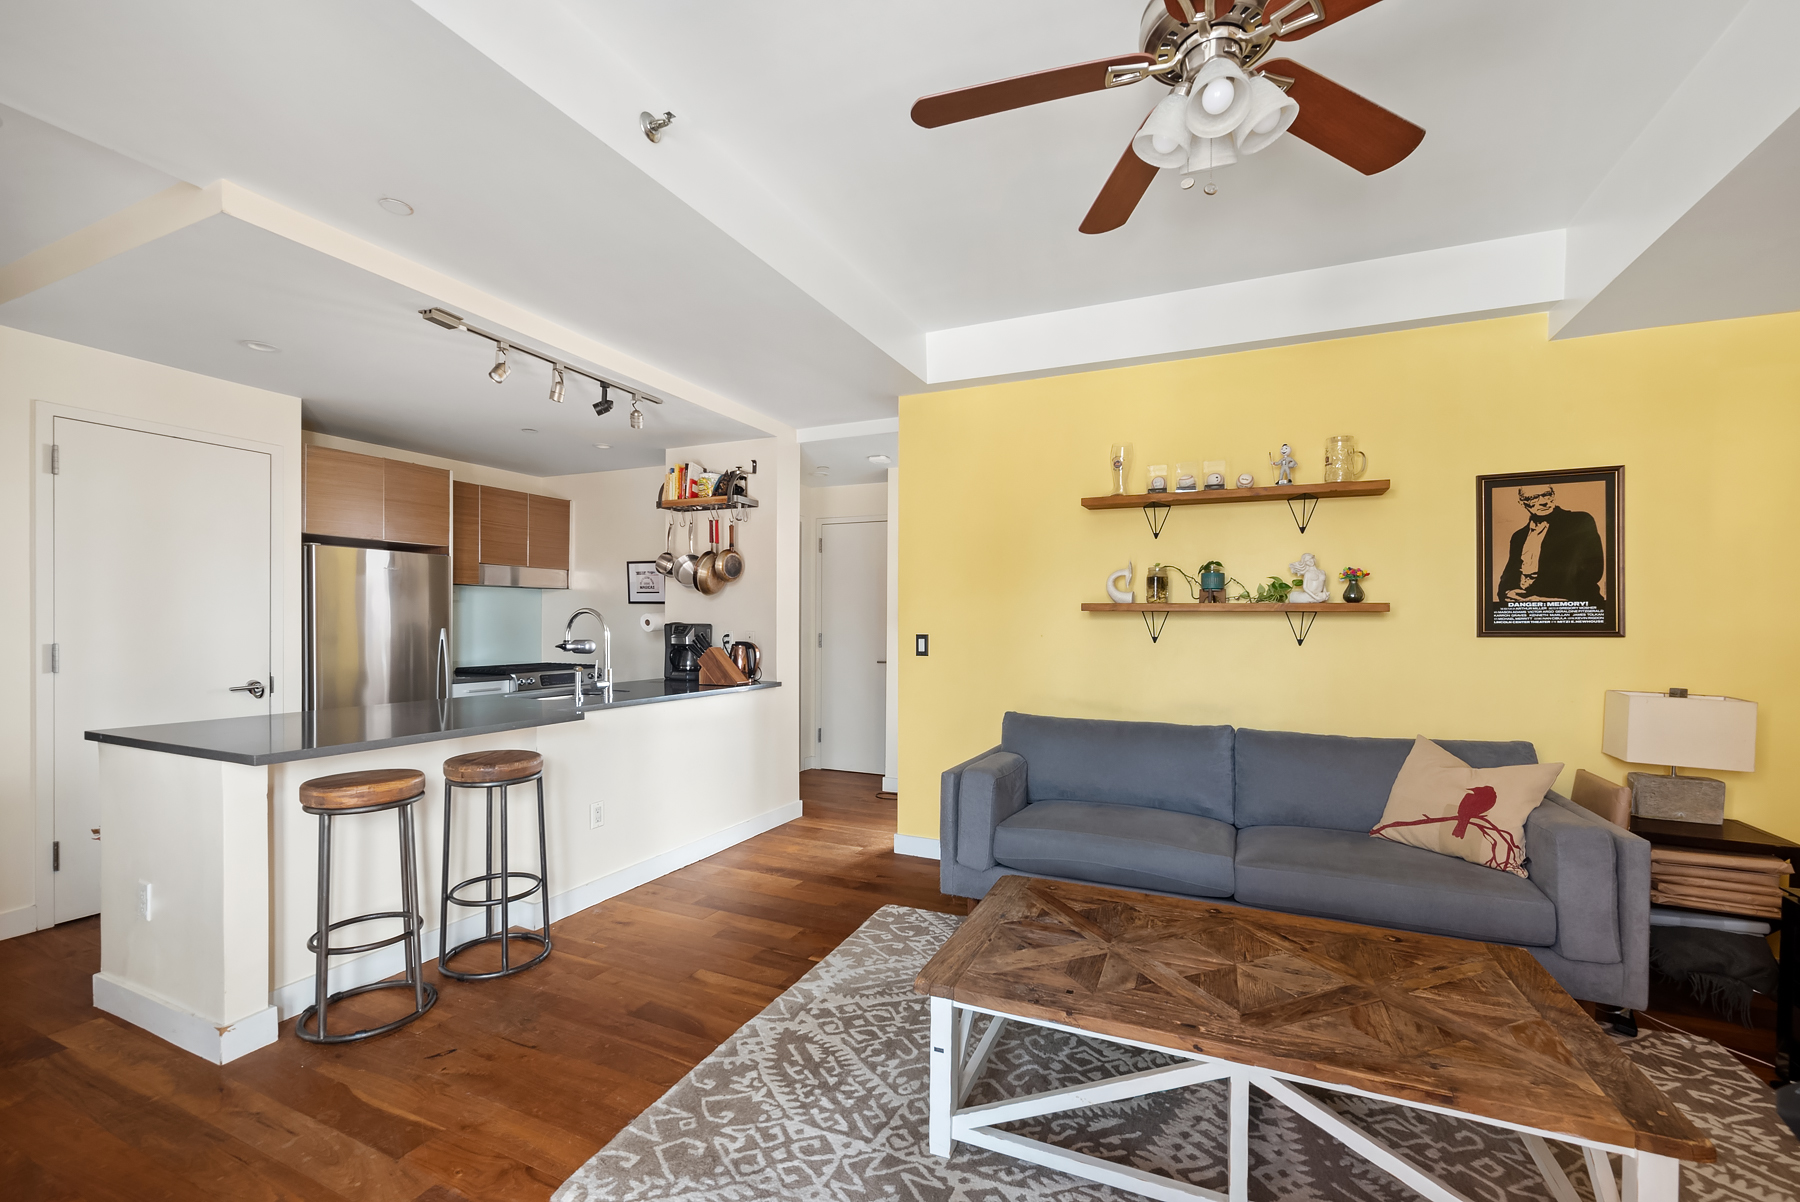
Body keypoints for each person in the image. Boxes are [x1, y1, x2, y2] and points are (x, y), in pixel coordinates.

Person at [1497, 484, 1604, 603]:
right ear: (1522, 503)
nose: (1543, 502)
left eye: (1546, 494)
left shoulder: (1579, 521)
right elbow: (1509, 574)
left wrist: (1552, 600)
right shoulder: (1518, 536)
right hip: (1526, 603)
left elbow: (1593, 568)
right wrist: (1508, 592)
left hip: (1570, 603)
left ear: (1553, 495)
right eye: (1533, 498)